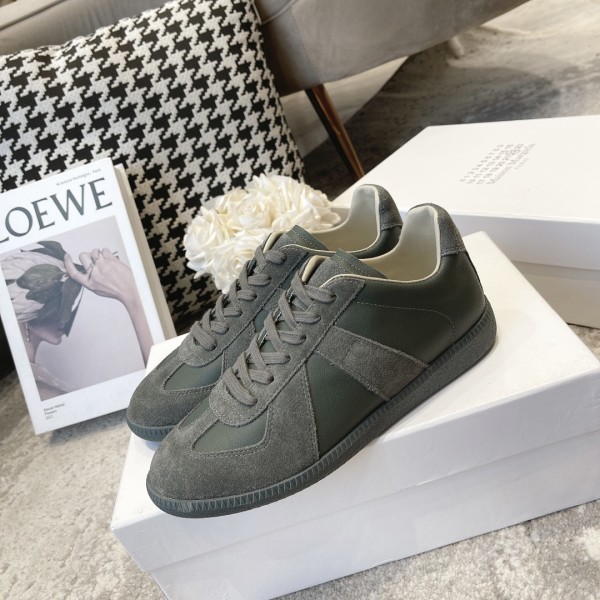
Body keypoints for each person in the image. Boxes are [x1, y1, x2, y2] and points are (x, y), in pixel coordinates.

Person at [2, 242, 152, 400]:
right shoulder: (42, 391)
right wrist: (132, 296)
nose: (65, 317)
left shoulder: (37, 382)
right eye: (59, 303)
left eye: (68, 302)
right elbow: (158, 396)